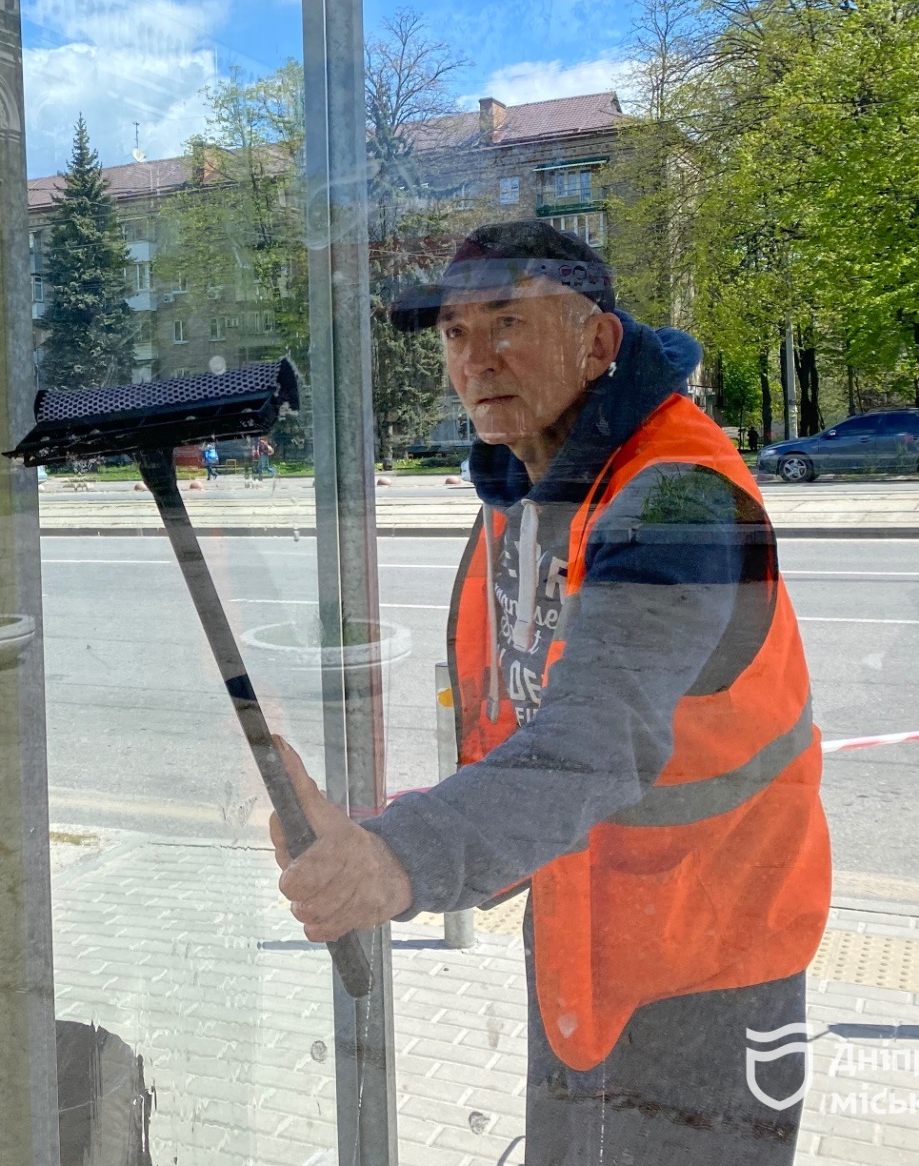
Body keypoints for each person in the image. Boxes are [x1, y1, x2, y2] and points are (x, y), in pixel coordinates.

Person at [270, 221, 830, 1165]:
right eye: (454, 333)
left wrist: (397, 857)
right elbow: (526, 728)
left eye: (508, 324)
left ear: (597, 342)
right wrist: (373, 833)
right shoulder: (542, 489)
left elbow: (596, 737)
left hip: (711, 963)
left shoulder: (676, 502)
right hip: (584, 932)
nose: (475, 358)